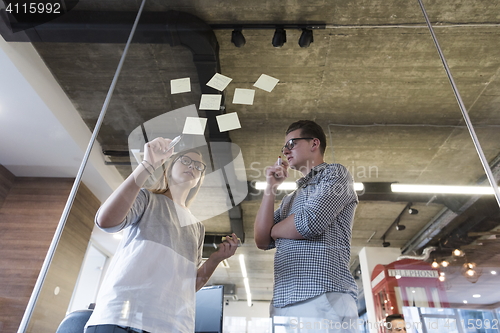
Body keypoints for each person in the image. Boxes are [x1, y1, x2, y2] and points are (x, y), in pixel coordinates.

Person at [85, 137, 239, 333]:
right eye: (185, 160)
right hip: (122, 316)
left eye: (198, 166)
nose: (192, 166)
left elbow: (190, 284)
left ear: (199, 179)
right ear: (169, 168)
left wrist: (216, 259)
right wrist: (148, 165)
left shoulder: (197, 227)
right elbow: (105, 222)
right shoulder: (147, 199)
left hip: (172, 325)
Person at [254, 120, 359, 332]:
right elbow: (262, 240)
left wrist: (275, 230)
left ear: (314, 143)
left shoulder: (335, 174)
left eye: (291, 143)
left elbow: (309, 223)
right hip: (285, 302)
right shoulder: (289, 200)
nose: (285, 151)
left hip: (323, 296)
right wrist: (271, 187)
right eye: (283, 147)